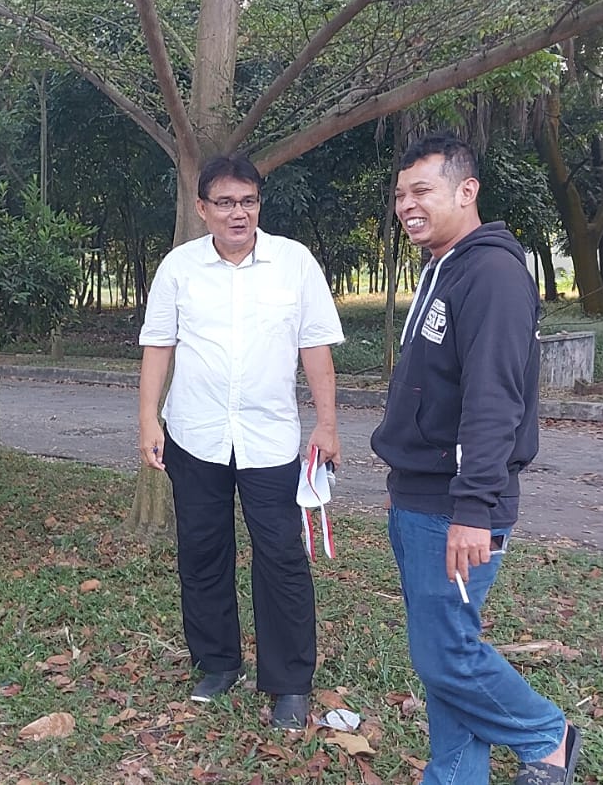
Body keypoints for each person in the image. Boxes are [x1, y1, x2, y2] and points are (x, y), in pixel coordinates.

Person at [370, 133, 580, 785]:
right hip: (420, 493)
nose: (407, 204)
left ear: (467, 191)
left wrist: (472, 508)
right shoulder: (446, 266)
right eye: (400, 194)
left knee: (446, 657)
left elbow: (494, 401)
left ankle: (545, 734)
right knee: (444, 651)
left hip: (454, 504)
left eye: (422, 190)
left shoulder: (491, 275)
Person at [136, 154, 344, 730]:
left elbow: (315, 347)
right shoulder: (179, 269)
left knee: (280, 556)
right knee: (203, 551)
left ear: (259, 204)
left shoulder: (293, 263)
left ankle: (290, 682)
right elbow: (158, 345)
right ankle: (217, 663)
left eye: (248, 201)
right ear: (202, 208)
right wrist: (148, 420)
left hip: (269, 439)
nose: (238, 213)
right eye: (225, 202)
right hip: (194, 434)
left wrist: (327, 424)